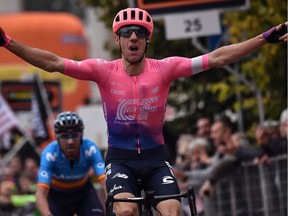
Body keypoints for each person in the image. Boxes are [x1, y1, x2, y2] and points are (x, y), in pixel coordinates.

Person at [0, 8, 287, 216]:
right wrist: (7, 42)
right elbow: (51, 62)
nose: (133, 37)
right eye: (126, 33)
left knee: (173, 211)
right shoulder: (103, 71)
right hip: (121, 159)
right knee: (126, 212)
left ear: (147, 40)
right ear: (118, 40)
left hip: (156, 158)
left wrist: (264, 38)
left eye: (139, 33)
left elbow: (218, 57)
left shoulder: (166, 69)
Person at [35, 111, 106, 216]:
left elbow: (105, 182)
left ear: (81, 135)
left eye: (75, 135)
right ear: (57, 138)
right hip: (57, 196)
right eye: (65, 136)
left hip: (84, 193)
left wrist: (115, 204)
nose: (70, 141)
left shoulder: (90, 149)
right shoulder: (50, 153)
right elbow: (41, 192)